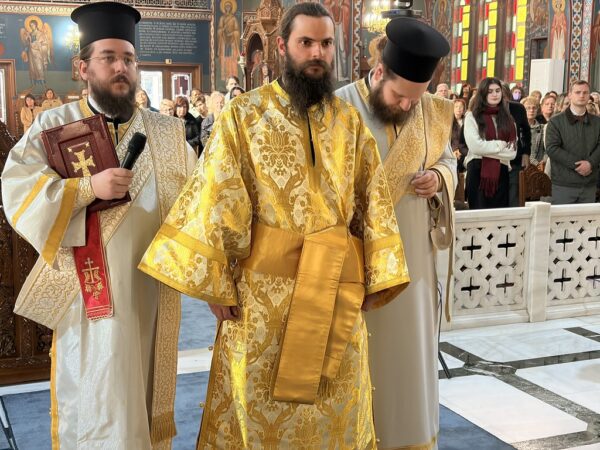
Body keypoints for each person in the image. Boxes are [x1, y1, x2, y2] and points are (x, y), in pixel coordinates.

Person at [139, 3, 409, 447]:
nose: (317, 52)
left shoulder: (350, 123)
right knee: (260, 413)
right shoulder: (244, 115)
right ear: (282, 47)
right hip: (263, 299)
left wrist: (375, 277)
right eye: (306, 42)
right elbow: (217, 197)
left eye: (326, 43)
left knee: (336, 413)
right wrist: (217, 286)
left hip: (335, 292)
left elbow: (373, 204)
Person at [1, 3, 196, 448]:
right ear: (82, 68)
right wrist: (89, 188)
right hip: (87, 298)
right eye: (108, 57)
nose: (121, 67)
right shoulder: (54, 125)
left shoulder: (168, 133)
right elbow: (18, 189)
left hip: (150, 292)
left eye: (129, 59)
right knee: (94, 397)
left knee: (141, 398)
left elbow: (197, 203)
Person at [336, 18, 455, 449]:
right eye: (399, 96)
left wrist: (438, 178)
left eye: (415, 99)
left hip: (414, 262)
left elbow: (447, 159)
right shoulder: (339, 108)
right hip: (355, 262)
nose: (407, 106)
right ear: (379, 72)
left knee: (411, 357)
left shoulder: (432, 111)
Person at [463, 77, 517, 209]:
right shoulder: (472, 116)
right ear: (483, 93)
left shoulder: (508, 119)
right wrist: (500, 145)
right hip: (477, 171)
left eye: (497, 91)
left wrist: (485, 149)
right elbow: (475, 147)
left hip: (502, 172)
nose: (495, 94)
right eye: (490, 91)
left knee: (499, 217)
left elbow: (512, 153)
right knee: (478, 216)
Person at [546, 80, 600, 204]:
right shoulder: (555, 121)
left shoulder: (597, 122)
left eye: (585, 93)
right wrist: (578, 165)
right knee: (562, 217)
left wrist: (590, 163)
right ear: (570, 95)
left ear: (589, 96)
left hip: (589, 184)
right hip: (564, 184)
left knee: (587, 217)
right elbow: (552, 148)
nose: (582, 95)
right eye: (577, 92)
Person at [502, 83, 531, 207]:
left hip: (515, 160)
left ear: (508, 96)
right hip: (494, 161)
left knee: (513, 199)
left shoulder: (518, 109)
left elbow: (526, 131)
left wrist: (526, 152)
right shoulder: (485, 110)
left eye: (503, 96)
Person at [524, 96, 546, 167]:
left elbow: (548, 148)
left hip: (540, 167)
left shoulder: (543, 128)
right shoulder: (519, 128)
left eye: (534, 108)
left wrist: (543, 161)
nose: (531, 110)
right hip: (523, 166)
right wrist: (536, 163)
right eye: (528, 108)